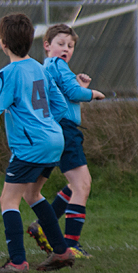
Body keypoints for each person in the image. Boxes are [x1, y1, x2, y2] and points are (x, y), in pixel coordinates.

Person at [0, 13, 76, 273]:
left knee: (8, 200)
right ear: (31, 41)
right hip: (54, 140)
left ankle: (18, 261)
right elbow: (60, 106)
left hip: (32, 146)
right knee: (32, 194)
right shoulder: (40, 69)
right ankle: (61, 250)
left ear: (3, 43)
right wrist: (46, 125)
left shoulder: (7, 74)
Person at [26, 24, 105, 258]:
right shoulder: (58, 65)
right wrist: (92, 93)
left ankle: (43, 224)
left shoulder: (45, 68)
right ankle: (70, 245)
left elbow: (65, 96)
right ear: (47, 45)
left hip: (55, 130)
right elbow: (73, 94)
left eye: (70, 46)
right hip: (66, 131)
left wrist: (78, 88)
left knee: (75, 184)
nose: (66, 49)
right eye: (60, 43)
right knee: (82, 185)